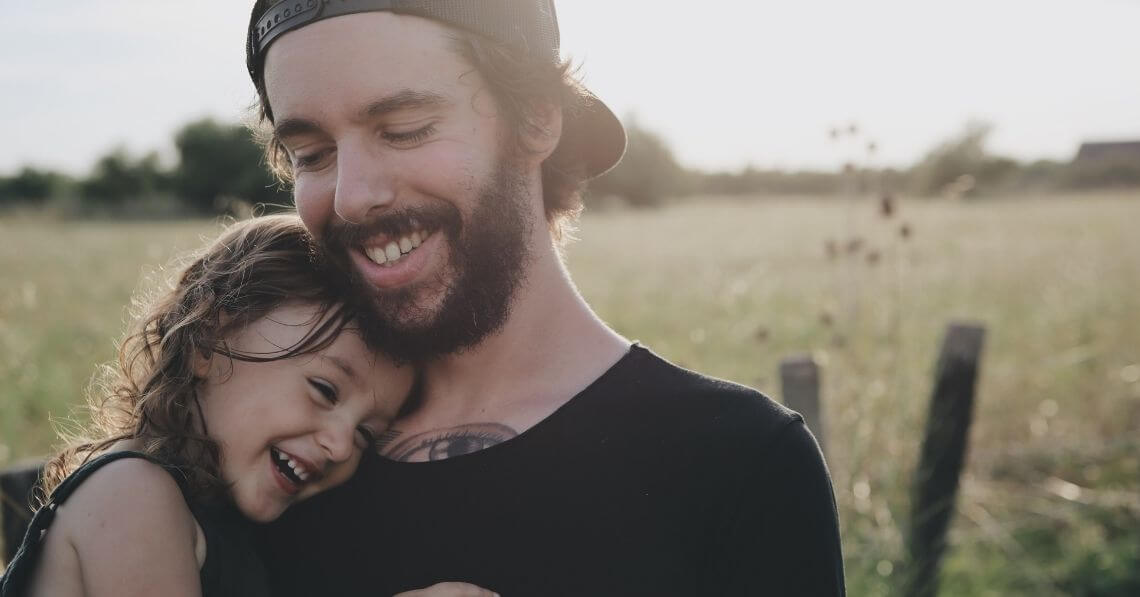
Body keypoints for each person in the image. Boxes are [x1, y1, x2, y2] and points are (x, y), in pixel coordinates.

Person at [248, 1, 846, 595]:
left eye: (404, 130)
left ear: (536, 120)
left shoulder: (738, 463)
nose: (352, 196)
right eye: (312, 155)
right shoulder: (275, 455)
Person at [0, 216, 494, 597]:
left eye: (367, 432)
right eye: (324, 390)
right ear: (208, 341)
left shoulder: (219, 522)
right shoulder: (132, 494)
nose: (341, 443)